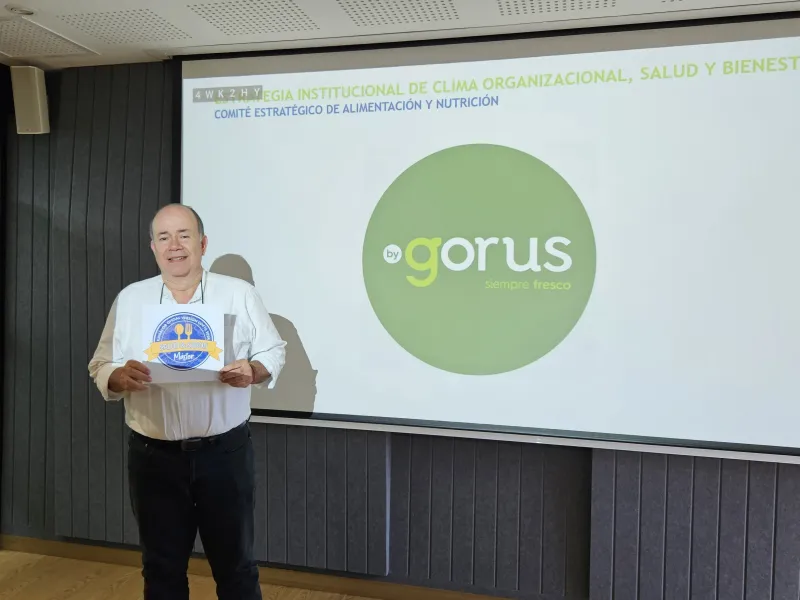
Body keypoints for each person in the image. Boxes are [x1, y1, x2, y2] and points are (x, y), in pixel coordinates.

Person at [88, 203, 285, 600]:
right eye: (164, 237)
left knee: (237, 568)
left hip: (224, 456)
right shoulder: (131, 299)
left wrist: (253, 369)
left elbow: (273, 352)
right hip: (154, 459)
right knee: (161, 570)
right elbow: (101, 364)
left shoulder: (239, 294)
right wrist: (118, 376)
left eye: (184, 235)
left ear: (203, 243)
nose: (174, 245)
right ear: (153, 247)